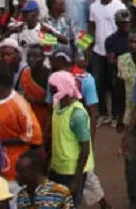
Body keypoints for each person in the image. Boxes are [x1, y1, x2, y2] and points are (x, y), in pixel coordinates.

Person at [47, 71, 91, 201]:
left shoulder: (77, 114)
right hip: (57, 168)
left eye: (54, 89)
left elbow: (85, 149)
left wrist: (76, 179)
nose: (51, 92)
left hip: (71, 172)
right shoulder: (58, 106)